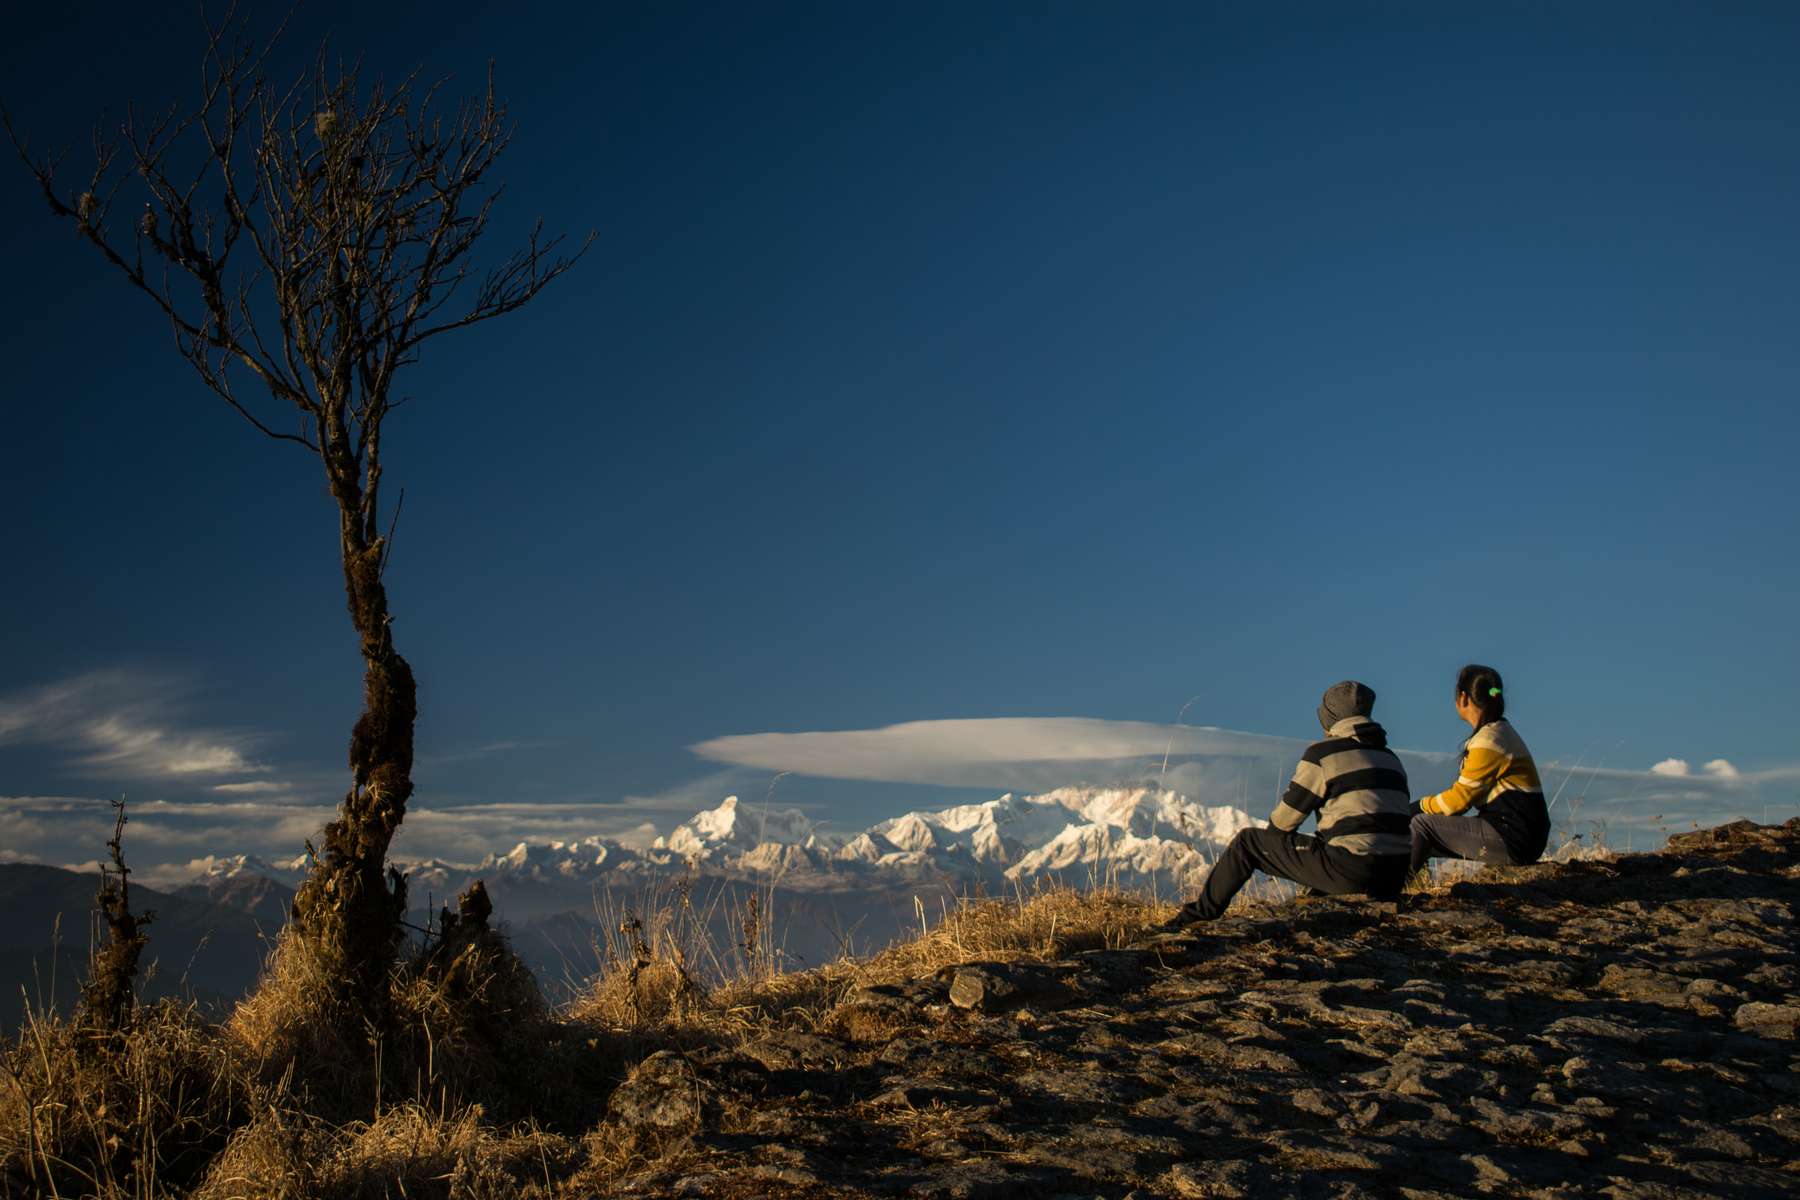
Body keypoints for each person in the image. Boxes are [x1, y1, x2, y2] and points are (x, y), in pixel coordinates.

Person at [1167, 681, 1412, 926]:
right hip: (1394, 877)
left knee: (1248, 843)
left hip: (1353, 872)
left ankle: (1196, 917)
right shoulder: (1391, 758)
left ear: (1329, 716)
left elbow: (1283, 825)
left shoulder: (1324, 754)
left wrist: (1278, 849)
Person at [1408, 664, 1551, 879]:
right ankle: (1408, 886)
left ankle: (1391, 891)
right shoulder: (1499, 732)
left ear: (1464, 698)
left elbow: (1457, 803)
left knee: (1420, 825)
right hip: (1522, 835)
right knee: (1421, 832)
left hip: (1513, 838)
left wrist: (1416, 806)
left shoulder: (1489, 741)